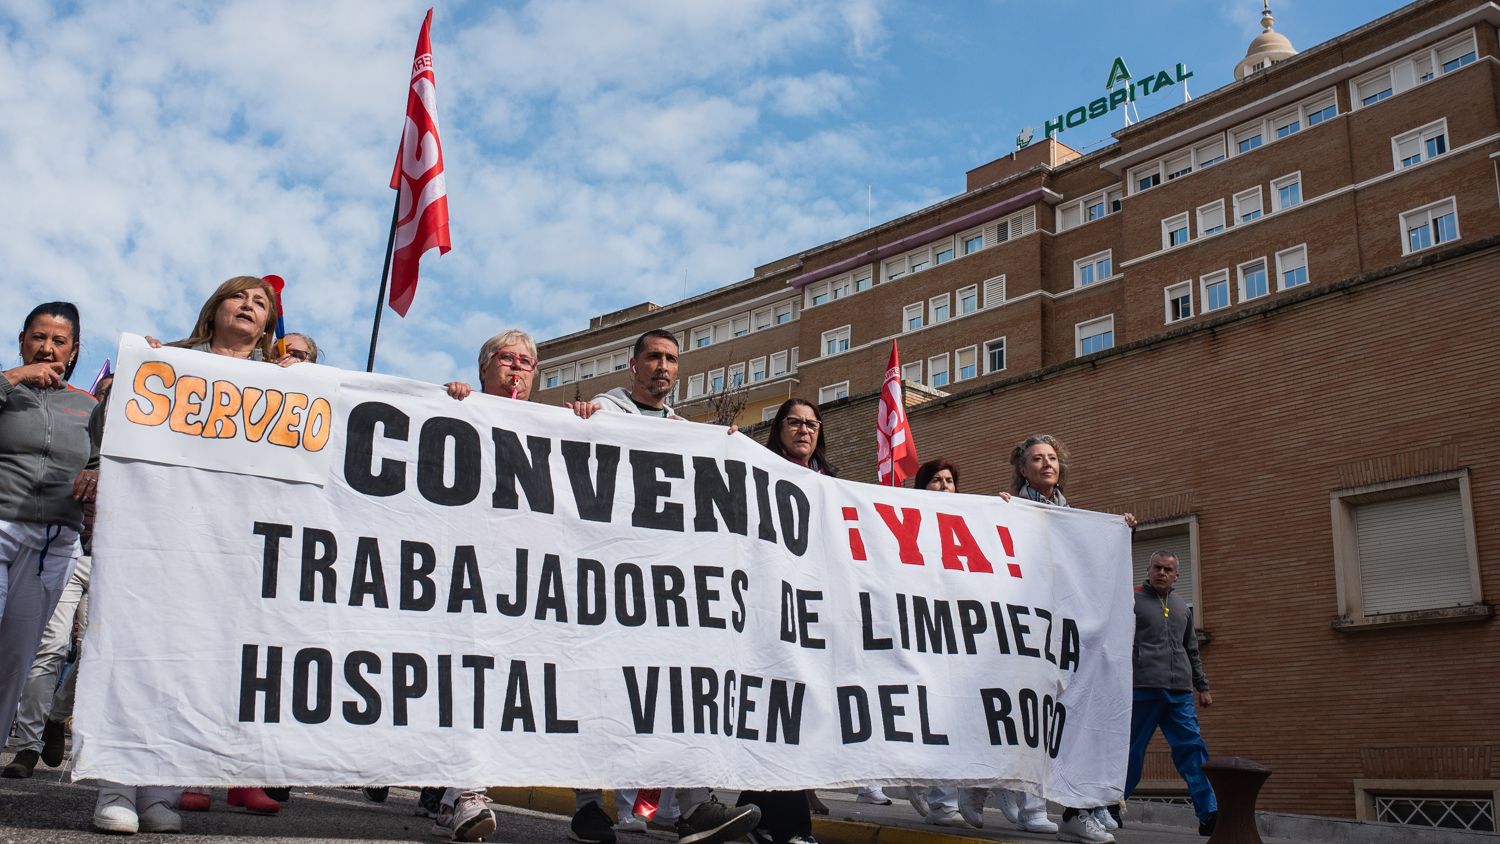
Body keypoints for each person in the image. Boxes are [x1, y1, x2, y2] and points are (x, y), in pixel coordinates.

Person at [94, 277, 297, 832]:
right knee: (136, 654)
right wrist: (138, 375)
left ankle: (160, 792)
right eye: (240, 297)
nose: (249, 306)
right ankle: (115, 787)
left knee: (191, 666)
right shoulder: (169, 364)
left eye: (260, 303)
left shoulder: (281, 382)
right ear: (215, 308)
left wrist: (298, 387)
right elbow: (108, 427)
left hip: (228, 544)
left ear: (267, 325)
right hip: (158, 529)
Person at [565, 329, 761, 844]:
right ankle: (589, 807)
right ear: (633, 364)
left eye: (671, 359)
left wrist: (726, 446)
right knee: (598, 690)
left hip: (664, 586)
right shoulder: (603, 414)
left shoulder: (683, 431)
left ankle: (693, 807)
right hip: (609, 577)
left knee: (680, 689)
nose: (663, 367)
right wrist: (577, 422)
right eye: (653, 357)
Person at [979, 434, 1134, 844]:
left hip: (1065, 636)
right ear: (1022, 469)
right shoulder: (1011, 509)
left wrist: (1118, 533)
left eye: (1052, 458)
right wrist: (997, 515)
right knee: (1029, 718)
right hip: (1026, 633)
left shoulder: (1072, 516)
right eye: (1037, 459)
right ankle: (998, 787)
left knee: (1068, 719)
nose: (1047, 464)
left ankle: (1077, 808)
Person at [429, 327, 546, 842]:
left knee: (498, 686)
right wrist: (450, 404)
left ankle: (457, 796)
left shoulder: (550, 426)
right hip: (460, 570)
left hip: (519, 578)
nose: (517, 367)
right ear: (483, 368)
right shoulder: (461, 409)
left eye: (526, 362)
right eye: (506, 358)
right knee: (464, 679)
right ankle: (463, 793)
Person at [1, 303, 97, 785]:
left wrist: (96, 473)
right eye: (38, 337)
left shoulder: (89, 406)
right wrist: (14, 377)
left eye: (59, 341)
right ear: (22, 340)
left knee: (17, 658)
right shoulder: (7, 387)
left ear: (74, 351)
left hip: (55, 543)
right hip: (2, 525)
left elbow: (103, 458)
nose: (47, 348)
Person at [737, 398, 832, 844]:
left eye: (812, 424)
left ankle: (754, 812)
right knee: (775, 713)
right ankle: (791, 826)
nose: (804, 430)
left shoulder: (831, 485)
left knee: (795, 717)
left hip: (811, 614)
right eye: (794, 422)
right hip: (766, 610)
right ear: (778, 429)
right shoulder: (757, 472)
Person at [901, 460, 986, 829]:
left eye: (950, 480)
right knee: (930, 713)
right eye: (936, 480)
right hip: (921, 626)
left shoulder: (970, 520)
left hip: (959, 630)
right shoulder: (906, 520)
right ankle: (935, 794)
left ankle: (949, 794)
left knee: (957, 715)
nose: (944, 486)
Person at [1125, 551, 1217, 836]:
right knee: (1131, 751)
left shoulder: (1181, 606)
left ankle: (1210, 814)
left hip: (1179, 693)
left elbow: (1192, 649)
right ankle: (1112, 805)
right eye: (1157, 568)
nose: (1162, 573)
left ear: (1177, 575)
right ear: (1148, 570)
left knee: (1193, 749)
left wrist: (1202, 686)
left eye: (1168, 569)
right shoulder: (1131, 600)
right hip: (1142, 688)